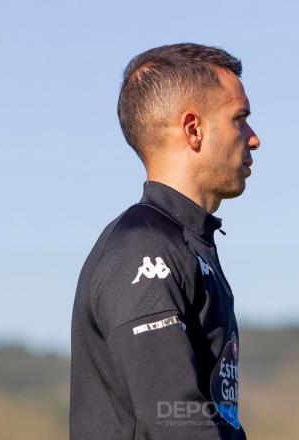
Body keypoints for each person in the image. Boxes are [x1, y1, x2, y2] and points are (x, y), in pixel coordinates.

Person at [70, 42, 260, 440]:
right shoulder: (144, 250)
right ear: (194, 129)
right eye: (239, 119)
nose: (253, 138)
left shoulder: (185, 243)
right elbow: (175, 421)